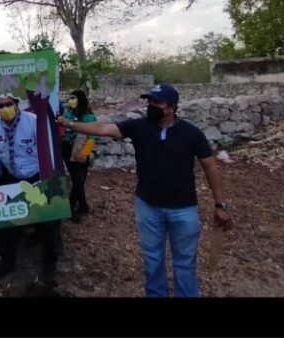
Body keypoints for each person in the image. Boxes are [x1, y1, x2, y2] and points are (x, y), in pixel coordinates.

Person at [57, 84, 233, 297]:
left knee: (185, 264)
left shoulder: (191, 134)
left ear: (171, 108)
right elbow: (104, 129)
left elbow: (210, 166)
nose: (150, 106)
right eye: (149, 101)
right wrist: (70, 124)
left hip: (184, 210)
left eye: (156, 102)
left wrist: (220, 204)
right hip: (148, 207)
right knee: (152, 260)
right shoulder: (139, 127)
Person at [0, 94, 61, 287]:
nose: (5, 108)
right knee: (7, 224)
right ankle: (8, 263)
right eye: (1, 105)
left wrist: (51, 180)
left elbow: (49, 150)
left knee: (48, 223)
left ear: (17, 104)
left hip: (38, 176)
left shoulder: (34, 122)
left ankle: (49, 265)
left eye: (9, 104)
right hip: (12, 178)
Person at [59, 90, 97, 223]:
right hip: (68, 148)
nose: (71, 100)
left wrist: (84, 154)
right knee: (77, 180)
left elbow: (92, 137)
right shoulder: (67, 113)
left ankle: (82, 205)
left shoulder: (88, 117)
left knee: (81, 179)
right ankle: (71, 208)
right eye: (70, 98)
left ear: (80, 99)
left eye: (73, 98)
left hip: (82, 149)